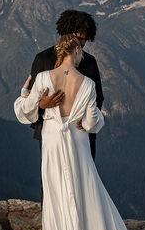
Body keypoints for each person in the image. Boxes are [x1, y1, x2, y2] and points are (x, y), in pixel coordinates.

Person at [14, 34, 137, 230]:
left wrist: (27, 94)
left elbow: (25, 111)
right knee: (85, 195)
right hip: (78, 145)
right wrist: (86, 121)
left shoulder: (44, 77)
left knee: (58, 196)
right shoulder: (88, 84)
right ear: (77, 51)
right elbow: (93, 122)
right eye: (81, 50)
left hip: (55, 143)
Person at [27, 10, 104, 162]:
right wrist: (42, 106)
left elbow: (99, 97)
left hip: (82, 134)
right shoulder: (43, 59)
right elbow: (31, 98)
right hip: (51, 134)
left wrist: (88, 121)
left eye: (86, 40)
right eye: (80, 38)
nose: (83, 43)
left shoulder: (90, 61)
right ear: (67, 34)